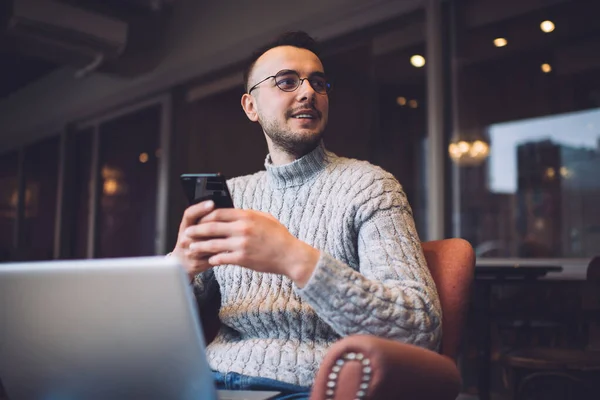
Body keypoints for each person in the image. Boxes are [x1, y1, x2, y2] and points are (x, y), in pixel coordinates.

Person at [171, 31, 441, 399]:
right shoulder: (232, 196)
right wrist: (178, 269)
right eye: (286, 81)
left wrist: (292, 257)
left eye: (318, 82)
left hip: (310, 387)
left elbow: (419, 328)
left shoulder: (370, 186)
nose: (308, 92)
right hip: (208, 381)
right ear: (251, 107)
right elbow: (159, 329)